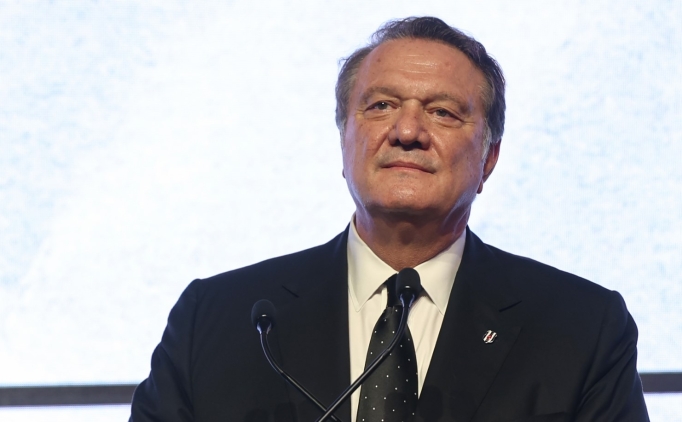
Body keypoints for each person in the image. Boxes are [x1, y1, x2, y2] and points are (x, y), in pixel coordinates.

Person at [130, 17, 649, 422]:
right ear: (344, 141)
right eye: (380, 106)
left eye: (443, 112)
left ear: (489, 158)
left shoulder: (581, 329)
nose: (407, 131)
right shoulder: (218, 321)